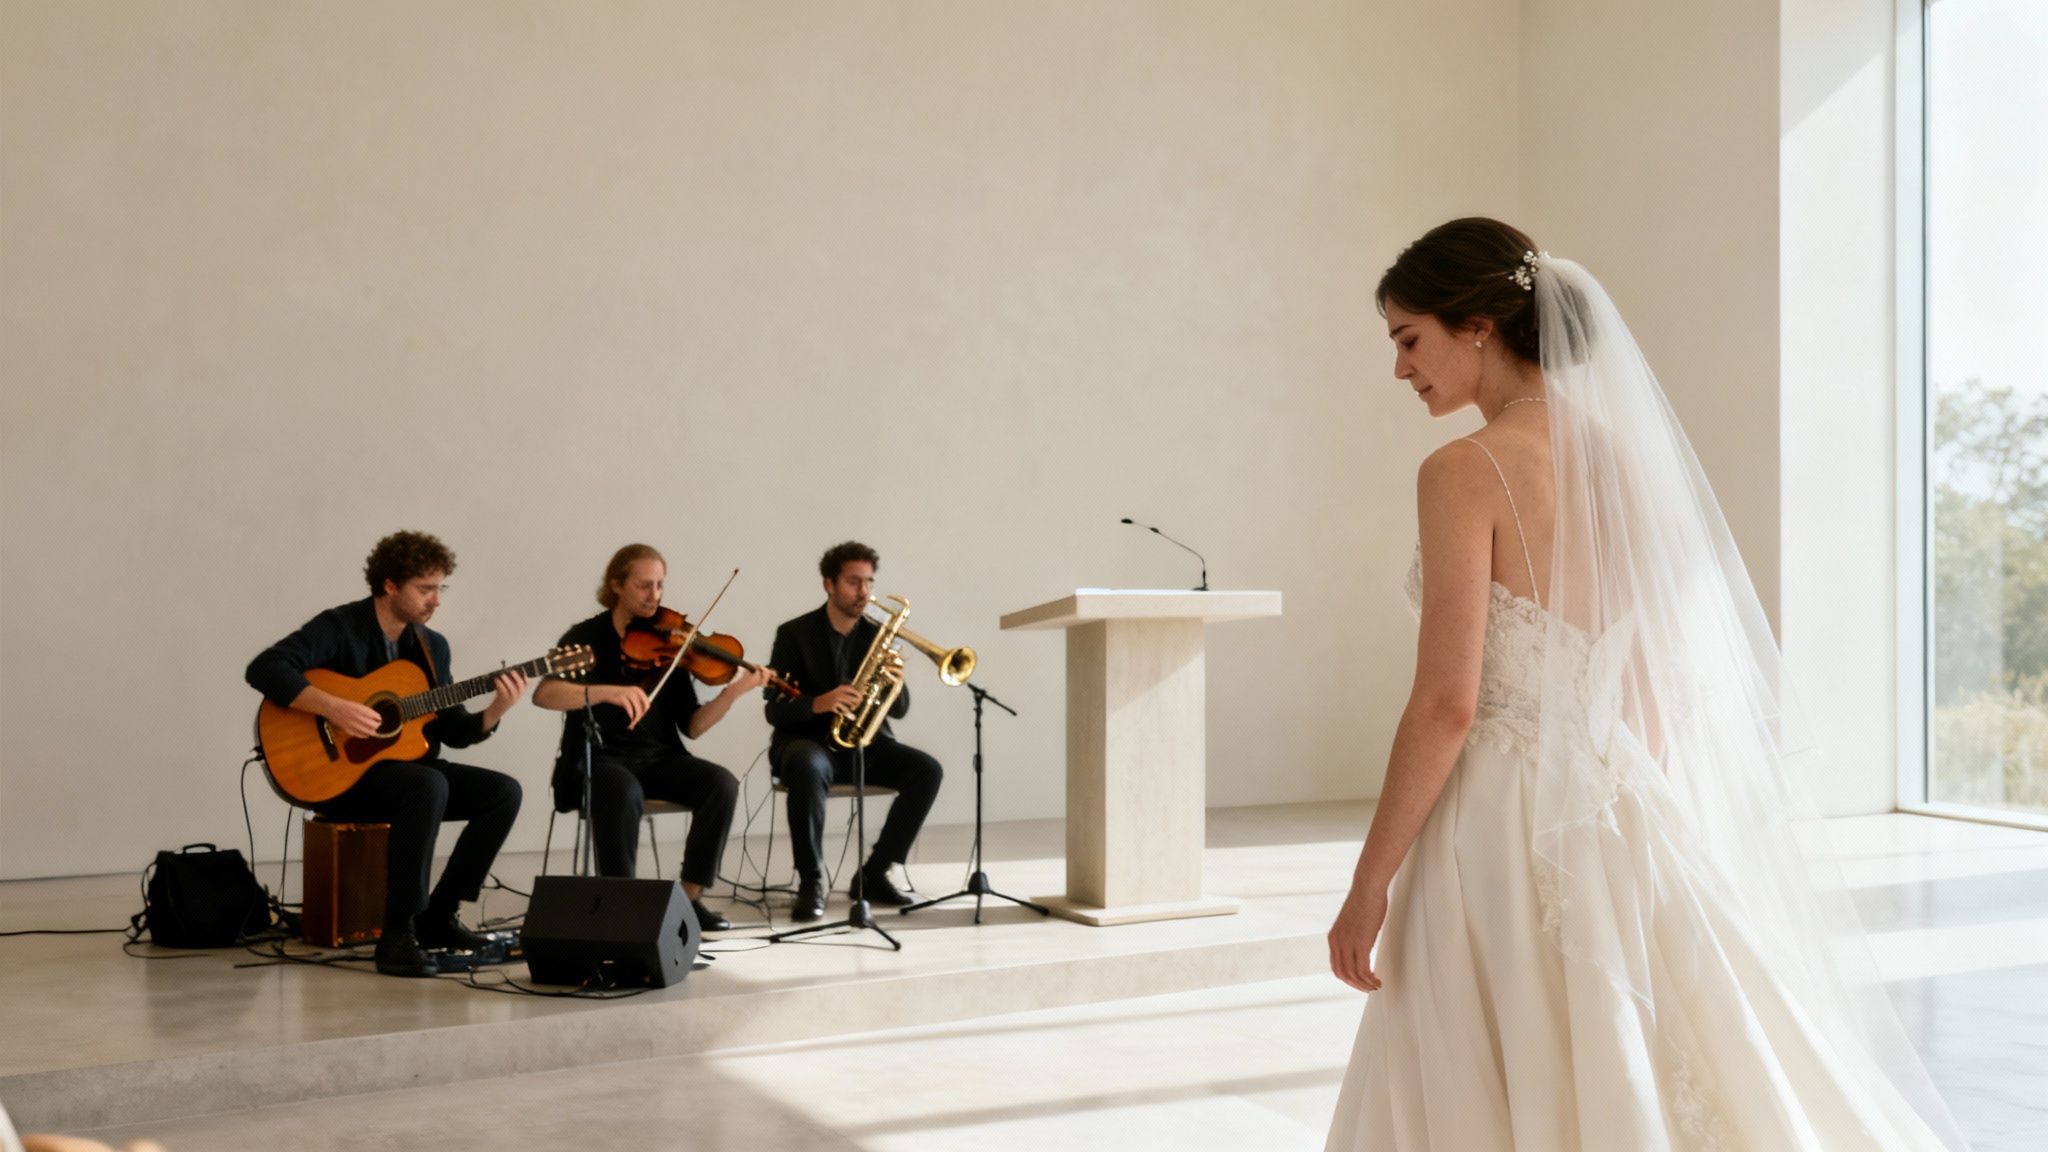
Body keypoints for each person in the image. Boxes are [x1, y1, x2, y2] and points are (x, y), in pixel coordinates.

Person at [1324, 219, 1967, 1149]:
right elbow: (1651, 673)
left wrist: (1368, 884)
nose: (1399, 369)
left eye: (1407, 338)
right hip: (1616, 796)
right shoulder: (1619, 463)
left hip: (1494, 821)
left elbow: (1447, 702)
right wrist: (1638, 806)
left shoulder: (1462, 471)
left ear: (1476, 325)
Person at [246, 531, 525, 978]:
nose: (436, 601)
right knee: (427, 784)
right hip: (339, 779)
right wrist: (336, 707)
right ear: (390, 585)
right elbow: (264, 668)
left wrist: (495, 710)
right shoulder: (339, 626)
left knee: (503, 792)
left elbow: (452, 731)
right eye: (425, 589)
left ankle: (438, 916)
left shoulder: (433, 648)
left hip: (408, 777)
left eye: (440, 588)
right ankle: (397, 934)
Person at [532, 544, 759, 932]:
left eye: (659, 586)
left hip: (659, 759)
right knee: (621, 790)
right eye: (643, 586)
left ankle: (687, 899)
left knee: (720, 783)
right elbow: (545, 694)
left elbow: (693, 726)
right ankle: (623, 904)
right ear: (617, 585)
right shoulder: (586, 636)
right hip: (598, 759)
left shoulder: (671, 644)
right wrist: (606, 691)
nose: (654, 596)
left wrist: (732, 692)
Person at [765, 541, 944, 923]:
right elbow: (774, 710)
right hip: (807, 743)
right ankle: (812, 880)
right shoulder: (794, 634)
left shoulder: (877, 636)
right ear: (829, 584)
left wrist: (897, 681)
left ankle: (875, 873)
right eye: (853, 582)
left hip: (864, 744)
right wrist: (819, 703)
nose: (864, 592)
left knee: (927, 770)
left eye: (868, 582)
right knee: (809, 767)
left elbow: (899, 709)